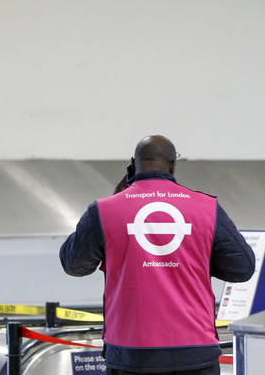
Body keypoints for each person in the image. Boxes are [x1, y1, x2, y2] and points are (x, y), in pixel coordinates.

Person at [59, 135, 255, 375]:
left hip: (130, 354)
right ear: (173, 165)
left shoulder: (104, 210)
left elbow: (74, 265)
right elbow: (242, 268)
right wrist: (195, 260)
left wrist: (113, 199)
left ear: (132, 164)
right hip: (194, 351)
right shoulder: (207, 207)